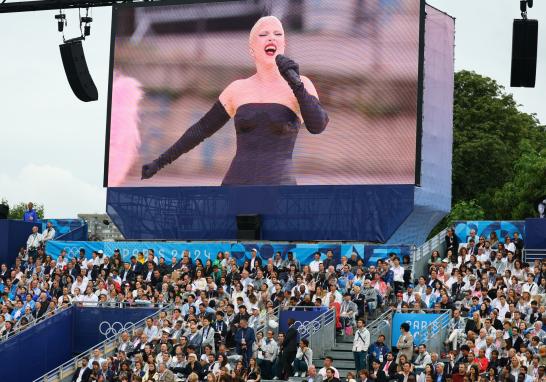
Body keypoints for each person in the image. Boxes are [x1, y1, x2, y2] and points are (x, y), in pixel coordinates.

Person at [141, 15, 328, 185]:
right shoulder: (237, 89)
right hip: (236, 189)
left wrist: (295, 83)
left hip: (280, 189)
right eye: (263, 34)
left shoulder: (301, 84)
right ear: (252, 49)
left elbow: (317, 125)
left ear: (283, 44)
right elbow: (201, 129)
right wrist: (160, 162)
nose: (271, 37)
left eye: (277, 33)